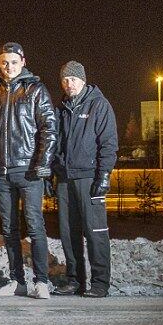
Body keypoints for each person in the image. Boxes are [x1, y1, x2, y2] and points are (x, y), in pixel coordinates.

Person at [0, 42, 57, 299]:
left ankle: (41, 281)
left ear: (23, 62)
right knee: (8, 229)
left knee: (35, 225)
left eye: (14, 62)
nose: (9, 66)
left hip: (28, 170)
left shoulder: (36, 90)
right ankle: (17, 281)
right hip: (2, 171)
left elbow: (49, 127)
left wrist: (42, 164)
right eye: (4, 62)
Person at [52, 61, 118, 298]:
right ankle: (74, 280)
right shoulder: (61, 108)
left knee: (95, 232)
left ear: (83, 80)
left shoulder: (99, 105)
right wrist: (54, 172)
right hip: (65, 179)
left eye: (73, 79)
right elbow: (55, 144)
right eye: (65, 80)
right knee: (68, 233)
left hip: (89, 179)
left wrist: (104, 176)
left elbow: (108, 144)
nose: (69, 84)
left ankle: (100, 283)